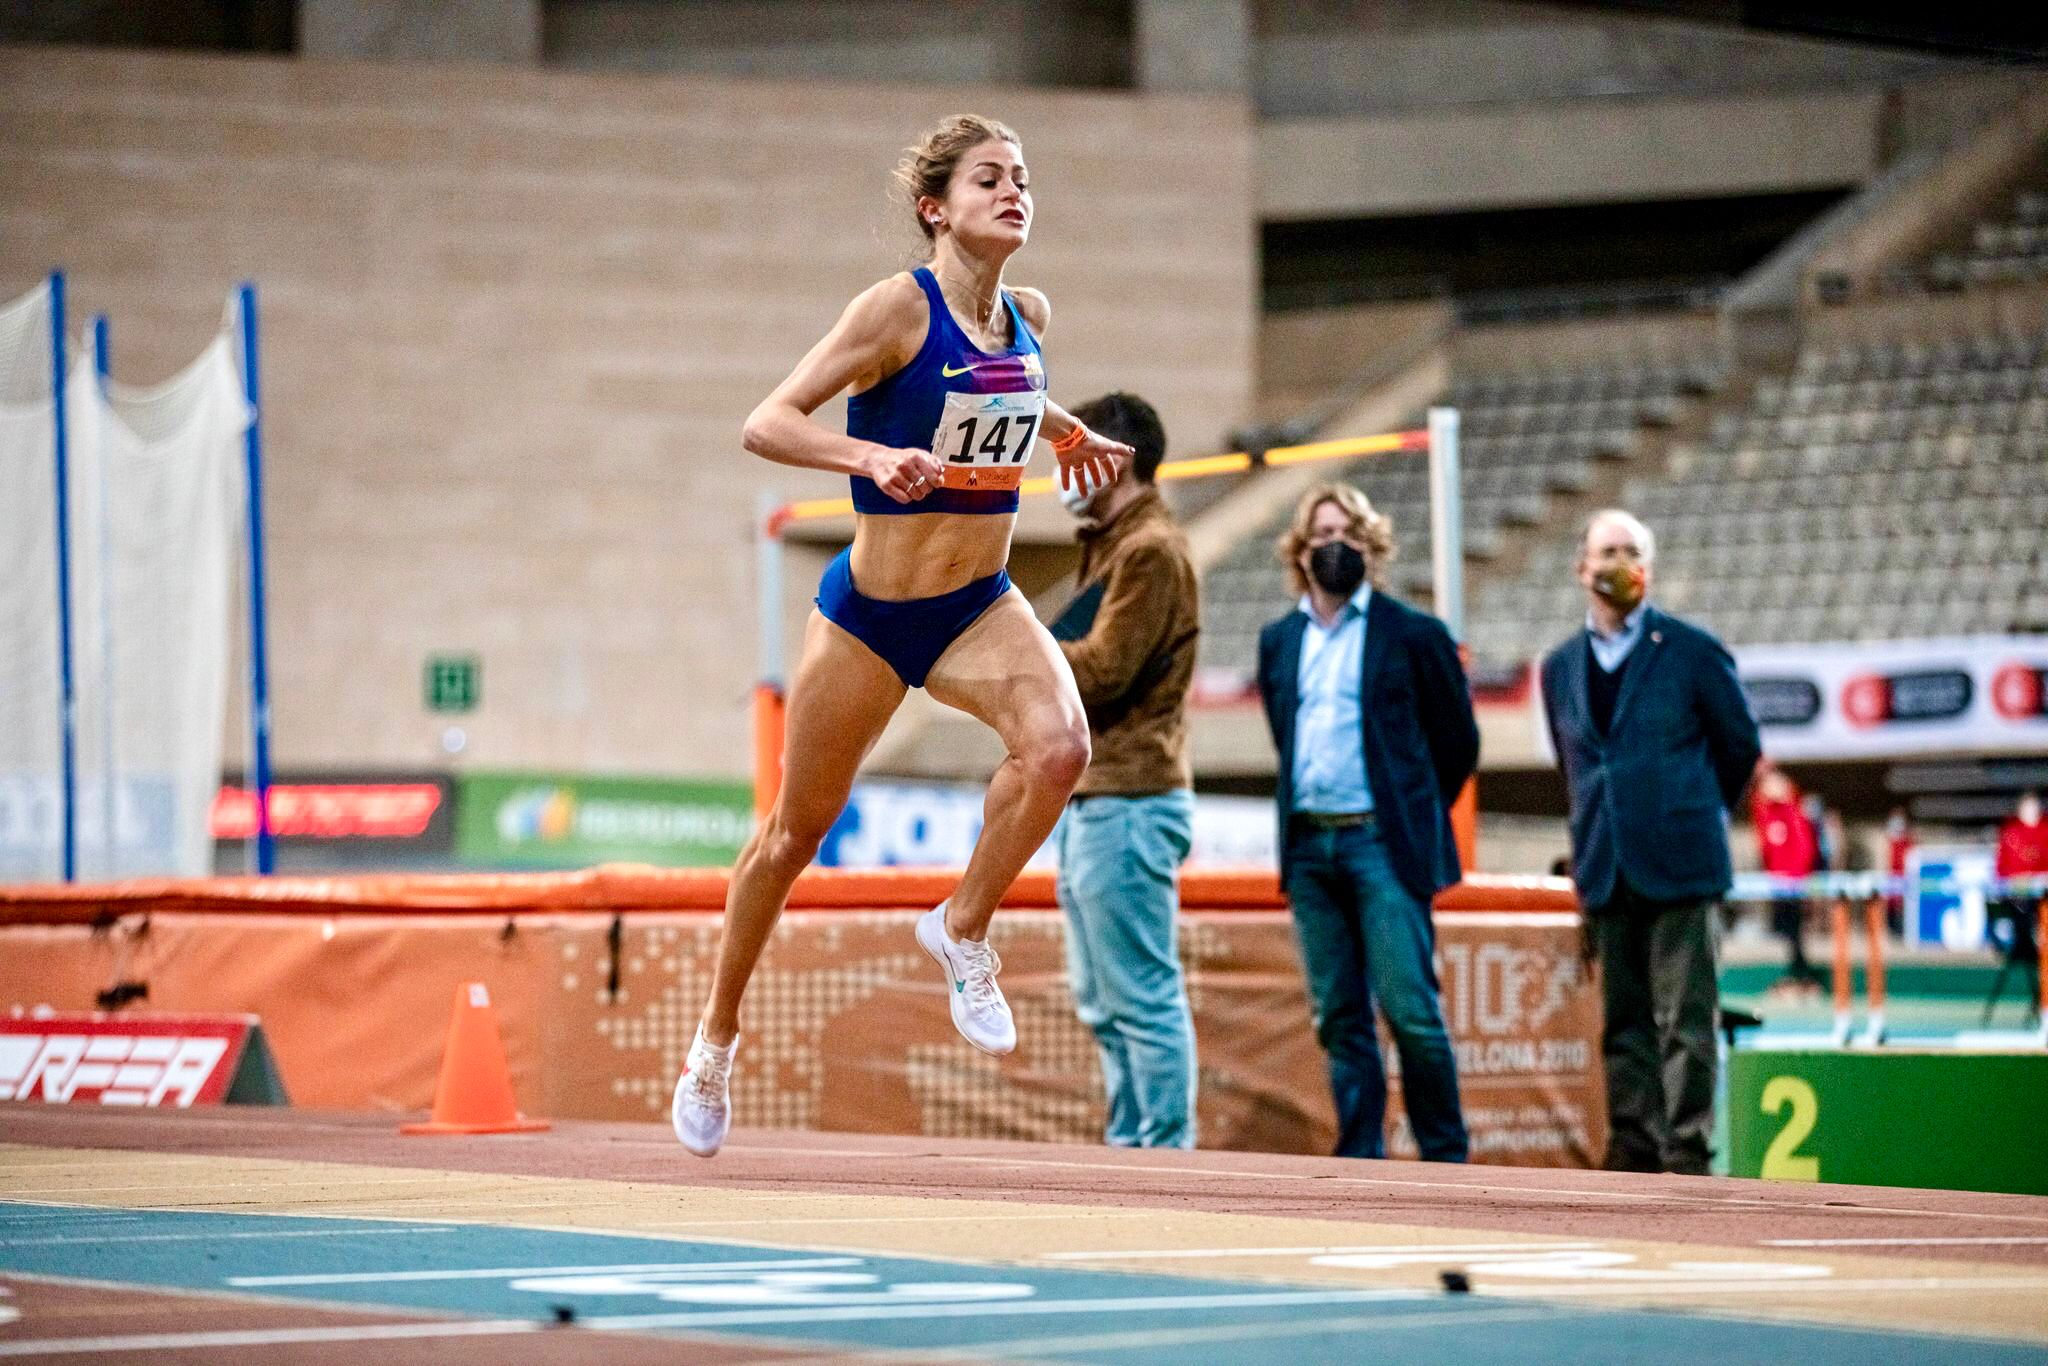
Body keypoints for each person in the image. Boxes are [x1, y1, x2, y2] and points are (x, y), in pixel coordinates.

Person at [671, 115, 1133, 1157]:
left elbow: (1011, 394)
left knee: (1060, 748)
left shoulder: (1027, 316)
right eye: (987, 179)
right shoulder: (892, 309)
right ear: (935, 206)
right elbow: (767, 420)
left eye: (1022, 177)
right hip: (871, 620)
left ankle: (961, 926)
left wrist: (1068, 433)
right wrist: (868, 461)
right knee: (790, 837)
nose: (1013, 192)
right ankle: (715, 1037)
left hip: (975, 606)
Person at [1255, 483, 1478, 1162]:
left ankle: (1445, 1156)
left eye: (1349, 533)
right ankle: (1360, 1158)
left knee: (1411, 1009)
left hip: (1381, 843)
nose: (1335, 546)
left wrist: (1407, 814)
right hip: (1310, 844)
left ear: (1372, 544)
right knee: (1338, 1017)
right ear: (1300, 549)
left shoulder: (1414, 634)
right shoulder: (1279, 641)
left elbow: (1457, 744)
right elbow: (1283, 732)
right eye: (1322, 535)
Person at [1540, 509, 1761, 1176]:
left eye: (1628, 551)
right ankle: (1633, 1149)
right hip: (1605, 865)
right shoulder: (1558, 669)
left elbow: (1740, 747)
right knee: (1622, 1025)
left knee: (1686, 1021)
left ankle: (1687, 1151)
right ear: (1581, 569)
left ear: (1648, 569)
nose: (1615, 564)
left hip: (1682, 863)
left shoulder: (1692, 651)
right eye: (1604, 551)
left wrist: (1689, 811)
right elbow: (1575, 765)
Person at [1045, 391, 1202, 1149]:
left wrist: (1022, 656)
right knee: (1102, 1001)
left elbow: (1104, 670)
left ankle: (1163, 1153)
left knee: (1140, 996)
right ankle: (1132, 1144)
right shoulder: (1112, 544)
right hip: (1096, 798)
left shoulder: (1150, 551)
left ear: (1119, 459)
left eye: (1073, 447)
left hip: (1132, 798)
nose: (1060, 464)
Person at [1752, 766, 1823, 995]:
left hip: (1794, 883)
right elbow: (1759, 812)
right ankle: (1792, 976)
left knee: (1795, 932)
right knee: (1782, 932)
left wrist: (1799, 877)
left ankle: (1802, 976)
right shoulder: (1766, 812)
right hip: (1776, 884)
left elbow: (1806, 846)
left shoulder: (1793, 811)